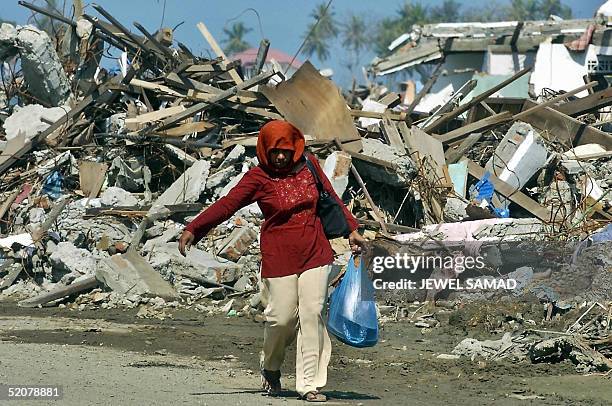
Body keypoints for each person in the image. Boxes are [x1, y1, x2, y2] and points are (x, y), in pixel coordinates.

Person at [178, 120, 366, 402]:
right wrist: (195, 228)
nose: (280, 157)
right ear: (266, 150)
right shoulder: (258, 178)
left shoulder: (310, 166)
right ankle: (270, 367)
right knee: (281, 319)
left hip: (315, 251)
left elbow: (333, 200)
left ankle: (309, 385)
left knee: (312, 313)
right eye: (275, 151)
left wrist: (352, 229)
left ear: (295, 148)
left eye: (286, 151)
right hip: (279, 255)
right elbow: (227, 204)